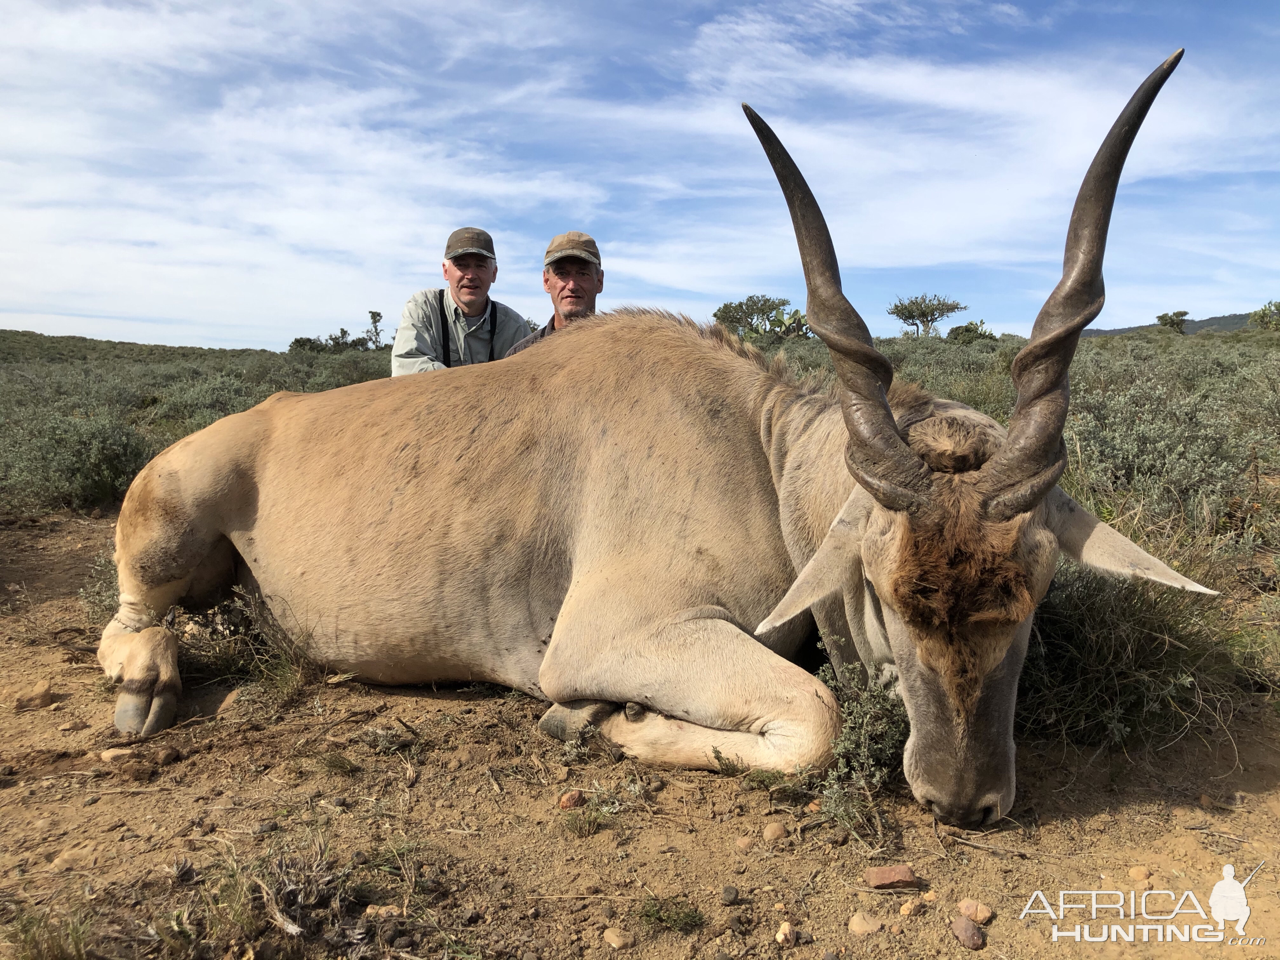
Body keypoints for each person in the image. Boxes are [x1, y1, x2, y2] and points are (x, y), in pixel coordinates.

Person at [391, 227, 531, 375]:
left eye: (480, 266)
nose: (471, 275)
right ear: (445, 271)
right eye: (461, 265)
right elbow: (405, 370)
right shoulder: (423, 308)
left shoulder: (515, 328)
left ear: (494, 274)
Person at [505, 231, 604, 357]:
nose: (572, 286)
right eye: (562, 274)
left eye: (582, 274)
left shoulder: (621, 351)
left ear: (599, 281)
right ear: (546, 281)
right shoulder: (519, 356)